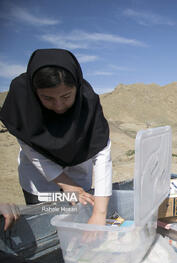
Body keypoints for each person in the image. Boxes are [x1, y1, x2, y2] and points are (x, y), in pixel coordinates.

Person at [0, 49, 112, 225]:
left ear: (77, 87)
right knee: (47, 223)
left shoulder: (88, 104)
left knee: (79, 223)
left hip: (80, 180)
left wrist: (99, 212)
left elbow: (102, 154)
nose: (59, 105)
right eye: (47, 98)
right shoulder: (23, 101)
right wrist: (67, 185)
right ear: (34, 93)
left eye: (66, 96)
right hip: (41, 185)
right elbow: (30, 148)